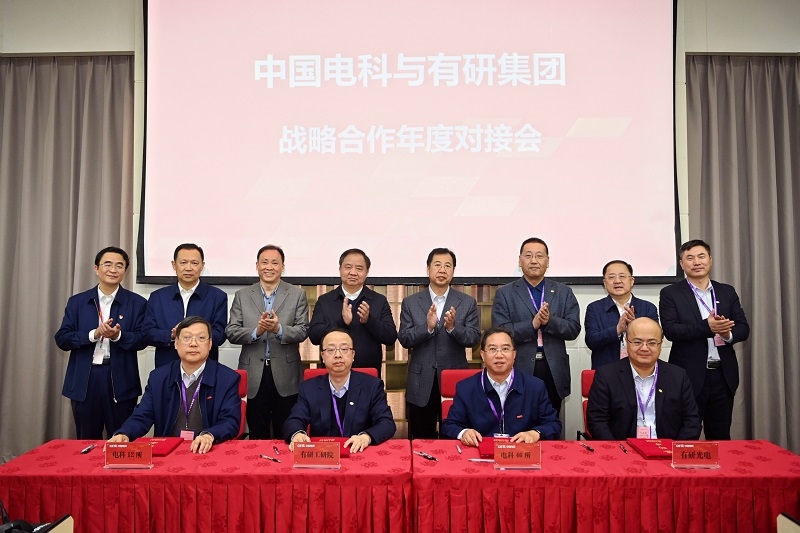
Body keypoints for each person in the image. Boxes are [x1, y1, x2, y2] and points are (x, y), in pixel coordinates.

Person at [108, 316, 241, 454]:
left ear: (210, 344)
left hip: (207, 452)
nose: (193, 344)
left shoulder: (227, 379)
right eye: (187, 338)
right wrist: (124, 433)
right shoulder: (159, 378)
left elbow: (230, 421)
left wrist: (209, 435)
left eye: (201, 338)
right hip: (168, 452)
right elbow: (142, 415)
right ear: (176, 343)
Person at [659, 239, 749, 440]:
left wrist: (726, 334)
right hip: (688, 376)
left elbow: (743, 328)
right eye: (690, 258)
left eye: (701, 256)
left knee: (720, 437)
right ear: (682, 264)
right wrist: (707, 327)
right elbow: (671, 330)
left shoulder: (726, 291)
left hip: (723, 376)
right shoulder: (670, 293)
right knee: (685, 436)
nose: (696, 262)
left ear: (710, 259)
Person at [54, 247, 148, 439]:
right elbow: (62, 338)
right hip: (85, 379)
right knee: (86, 439)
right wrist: (93, 334)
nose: (113, 269)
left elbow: (143, 339)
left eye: (119, 265)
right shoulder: (77, 302)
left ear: (125, 271)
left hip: (121, 379)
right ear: (96, 268)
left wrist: (118, 337)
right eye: (108, 264)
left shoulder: (137, 303)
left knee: (121, 439)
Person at [226, 245, 309, 439]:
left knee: (286, 431)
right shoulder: (242, 295)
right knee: (257, 432)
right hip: (253, 374)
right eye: (264, 262)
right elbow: (231, 332)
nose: (269, 267)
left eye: (275, 263)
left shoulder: (297, 294)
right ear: (257, 266)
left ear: (282, 267)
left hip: (287, 374)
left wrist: (278, 329)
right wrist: (257, 332)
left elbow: (303, 330)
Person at [398, 248, 481, 439]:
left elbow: (474, 338)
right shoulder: (411, 302)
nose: (442, 270)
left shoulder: (467, 302)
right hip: (421, 382)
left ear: (453, 271)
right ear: (428, 269)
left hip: (454, 380)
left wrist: (453, 328)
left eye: (447, 266)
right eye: (437, 265)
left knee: (454, 437)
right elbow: (404, 338)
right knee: (421, 439)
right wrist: (427, 327)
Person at [491, 237, 580, 414]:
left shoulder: (563, 292)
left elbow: (573, 329)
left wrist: (549, 321)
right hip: (519, 366)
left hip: (553, 368)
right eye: (528, 256)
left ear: (547, 261)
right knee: (518, 419)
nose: (533, 261)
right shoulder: (505, 293)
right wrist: (532, 325)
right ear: (520, 261)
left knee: (551, 420)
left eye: (539, 256)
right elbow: (501, 332)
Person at [441, 327, 561, 445]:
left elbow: (553, 424)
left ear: (514, 354)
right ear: (482, 355)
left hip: (521, 451)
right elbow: (449, 425)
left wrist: (535, 433)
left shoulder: (534, 387)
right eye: (492, 349)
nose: (499, 355)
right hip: (480, 451)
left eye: (505, 349)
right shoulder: (466, 388)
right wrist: (463, 432)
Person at [586, 317, 701, 440]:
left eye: (652, 343)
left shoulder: (678, 376)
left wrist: (674, 448)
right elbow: (597, 422)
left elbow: (692, 421)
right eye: (637, 342)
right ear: (626, 341)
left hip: (666, 448)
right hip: (622, 448)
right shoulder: (606, 376)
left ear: (661, 344)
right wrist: (618, 449)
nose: (644, 348)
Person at [283, 330, 396, 453]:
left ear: (353, 354)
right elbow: (294, 420)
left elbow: (386, 423)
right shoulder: (309, 388)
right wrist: (297, 434)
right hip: (322, 455)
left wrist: (365, 437)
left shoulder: (372, 386)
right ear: (322, 356)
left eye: (344, 349)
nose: (338, 355)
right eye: (331, 350)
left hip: (358, 452)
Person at [308, 248, 397, 377]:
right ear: (340, 269)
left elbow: (390, 338)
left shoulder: (378, 300)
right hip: (333, 375)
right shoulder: (325, 300)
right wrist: (341, 322)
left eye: (359, 268)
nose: (353, 272)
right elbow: (314, 336)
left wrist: (369, 320)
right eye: (348, 267)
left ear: (367, 272)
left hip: (368, 375)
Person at [143, 243, 228, 368]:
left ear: (202, 266)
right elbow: (147, 333)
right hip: (167, 367)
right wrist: (172, 336)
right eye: (183, 263)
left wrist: (194, 337)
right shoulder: (157, 297)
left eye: (194, 263)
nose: (188, 268)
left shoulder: (217, 297)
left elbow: (220, 335)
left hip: (204, 368)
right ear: (174, 265)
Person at [584, 260, 659, 369]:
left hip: (641, 369)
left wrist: (635, 327)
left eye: (622, 276)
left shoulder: (648, 308)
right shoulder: (594, 308)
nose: (617, 281)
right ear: (604, 283)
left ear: (632, 281)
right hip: (606, 371)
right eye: (611, 277)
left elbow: (656, 339)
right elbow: (591, 341)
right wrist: (617, 330)